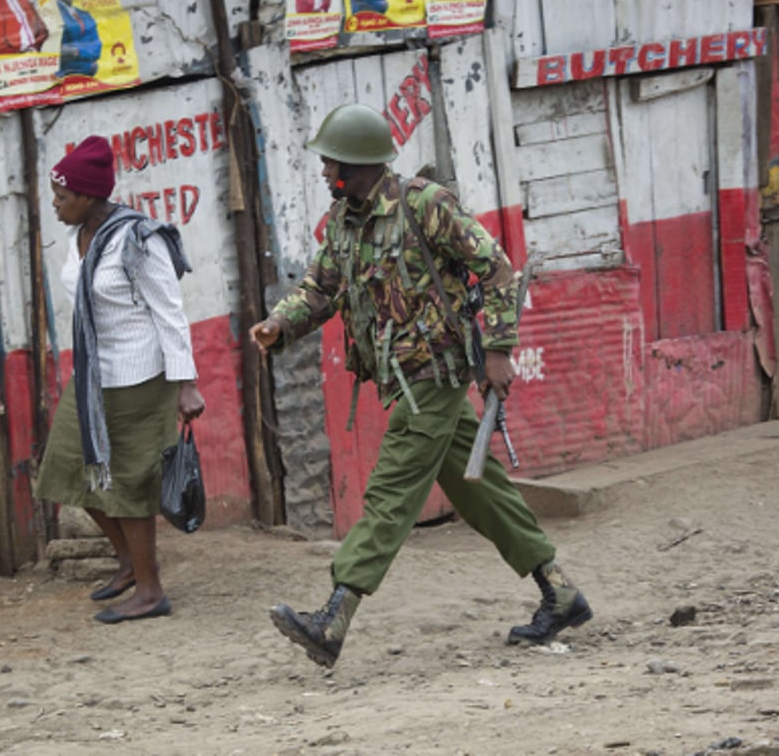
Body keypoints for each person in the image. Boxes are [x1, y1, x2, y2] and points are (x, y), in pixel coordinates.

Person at [250, 104, 593, 668]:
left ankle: (333, 617)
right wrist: (280, 323)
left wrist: (500, 349)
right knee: (484, 493)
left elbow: (498, 269)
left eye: (329, 160)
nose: (323, 170)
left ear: (356, 163)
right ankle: (560, 591)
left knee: (390, 493)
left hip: (436, 375)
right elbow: (320, 288)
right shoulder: (343, 222)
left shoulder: (424, 206)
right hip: (399, 381)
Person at [35, 135, 205, 623]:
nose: (55, 204)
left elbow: (170, 313)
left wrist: (186, 384)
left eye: (62, 197)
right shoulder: (79, 235)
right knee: (69, 467)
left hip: (138, 377)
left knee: (128, 484)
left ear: (88, 196)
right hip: (93, 375)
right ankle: (130, 562)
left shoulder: (139, 240)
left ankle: (151, 591)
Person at [54, 0, 102, 77]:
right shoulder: (53, 13)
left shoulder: (85, 15)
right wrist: (80, 52)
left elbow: (97, 48)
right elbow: (55, 51)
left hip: (88, 74)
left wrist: (77, 51)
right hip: (64, 75)